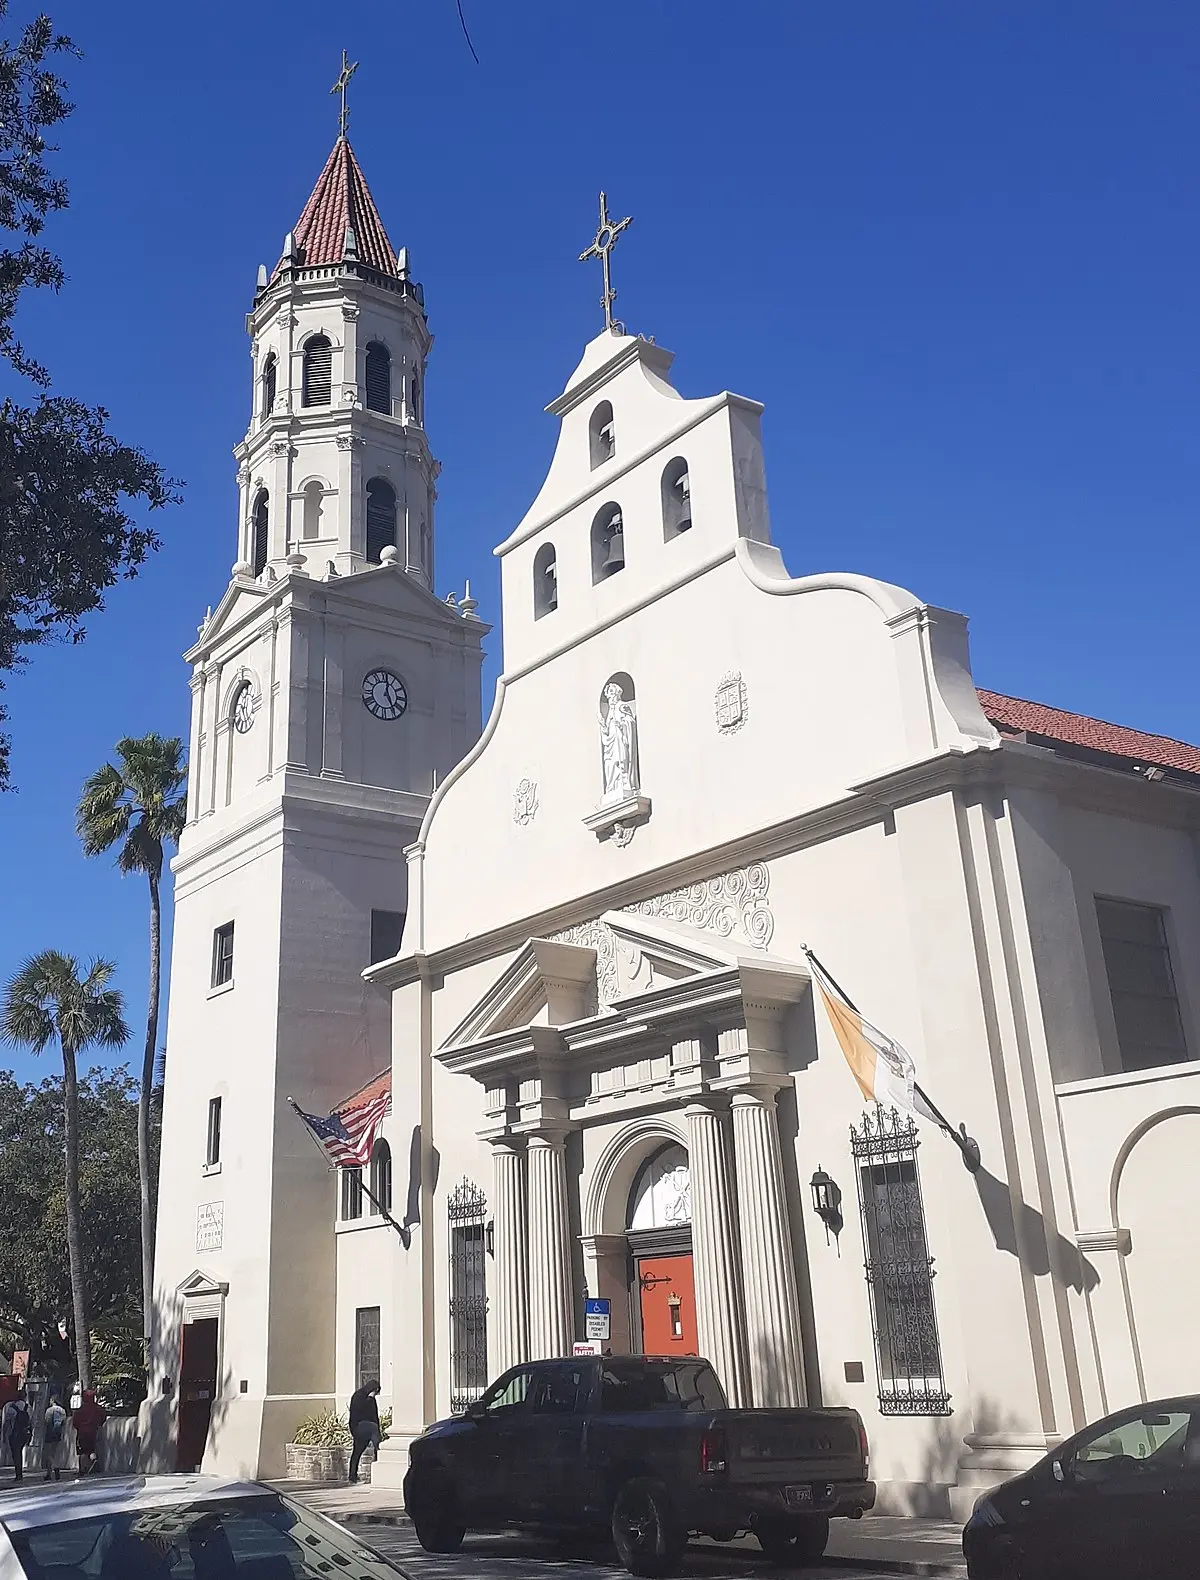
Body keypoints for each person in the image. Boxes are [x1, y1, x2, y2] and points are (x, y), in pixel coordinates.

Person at [347, 1379, 381, 1484]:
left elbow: (374, 1416)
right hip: (358, 1426)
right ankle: (379, 1450)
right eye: (375, 1392)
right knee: (358, 1450)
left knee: (358, 1451)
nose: (375, 1394)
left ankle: (353, 1475)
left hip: (368, 1428)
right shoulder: (358, 1396)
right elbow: (357, 1413)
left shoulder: (371, 1400)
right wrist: (369, 1400)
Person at [72, 1388, 106, 1476]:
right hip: (94, 1432)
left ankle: (82, 1470)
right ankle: (94, 1460)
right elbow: (103, 1418)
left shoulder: (80, 1411)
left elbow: (75, 1423)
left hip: (82, 1433)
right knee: (91, 1449)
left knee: (82, 1452)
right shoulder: (98, 1409)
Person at [2, 1387, 32, 1483]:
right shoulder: (28, 1407)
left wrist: (4, 1435)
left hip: (14, 1434)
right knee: (19, 1452)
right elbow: (31, 1422)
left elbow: (6, 1423)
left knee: (16, 1454)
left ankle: (18, 1474)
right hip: (24, 1433)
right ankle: (19, 1473)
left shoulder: (10, 1407)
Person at [42, 1391, 67, 1482]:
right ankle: (48, 1473)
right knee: (54, 1453)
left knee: (49, 1454)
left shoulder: (49, 1410)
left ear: (53, 1400)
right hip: (58, 1433)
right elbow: (64, 1422)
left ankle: (56, 1469)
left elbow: (46, 1421)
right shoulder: (62, 1410)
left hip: (50, 1433)